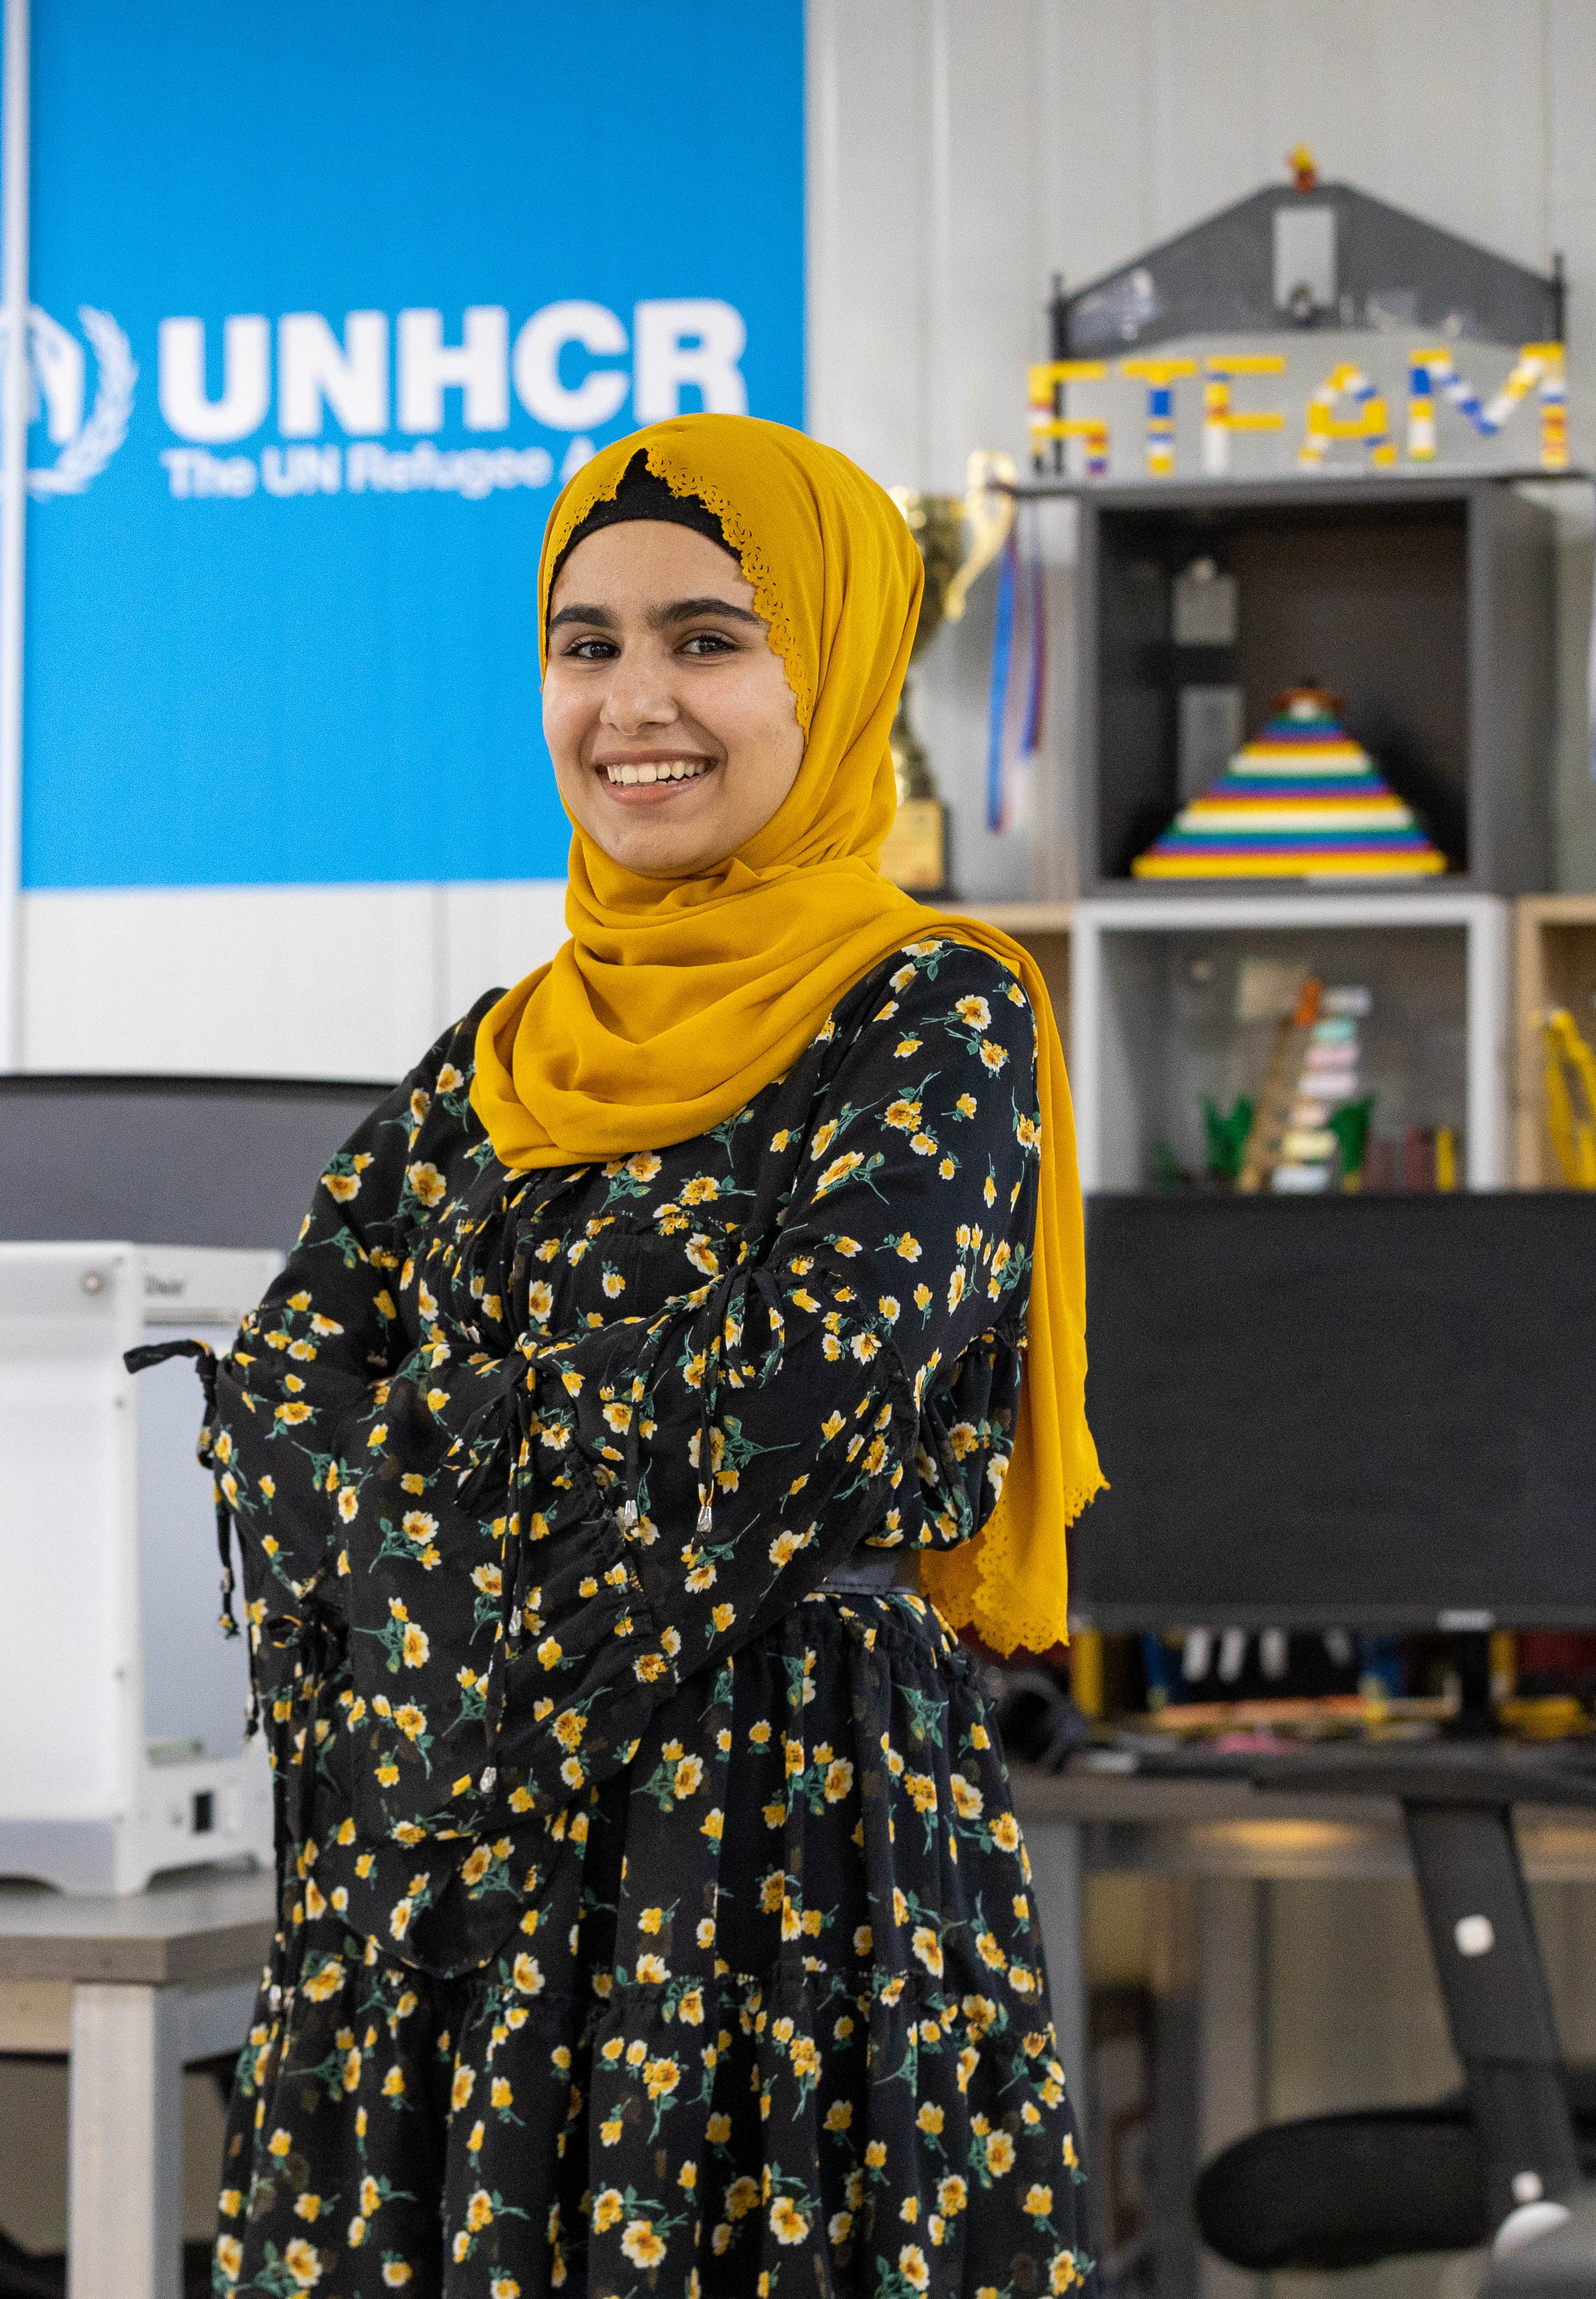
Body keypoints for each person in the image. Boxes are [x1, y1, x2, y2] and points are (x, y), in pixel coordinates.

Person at [204, 413, 1101, 2299]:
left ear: (832, 669)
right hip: (445, 1884)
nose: (635, 702)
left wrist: (441, 1461)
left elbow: (777, 1420)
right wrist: (588, 1410)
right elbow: (278, 1399)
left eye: (708, 637)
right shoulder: (496, 1057)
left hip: (780, 1861)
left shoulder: (931, 1018)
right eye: (586, 642)